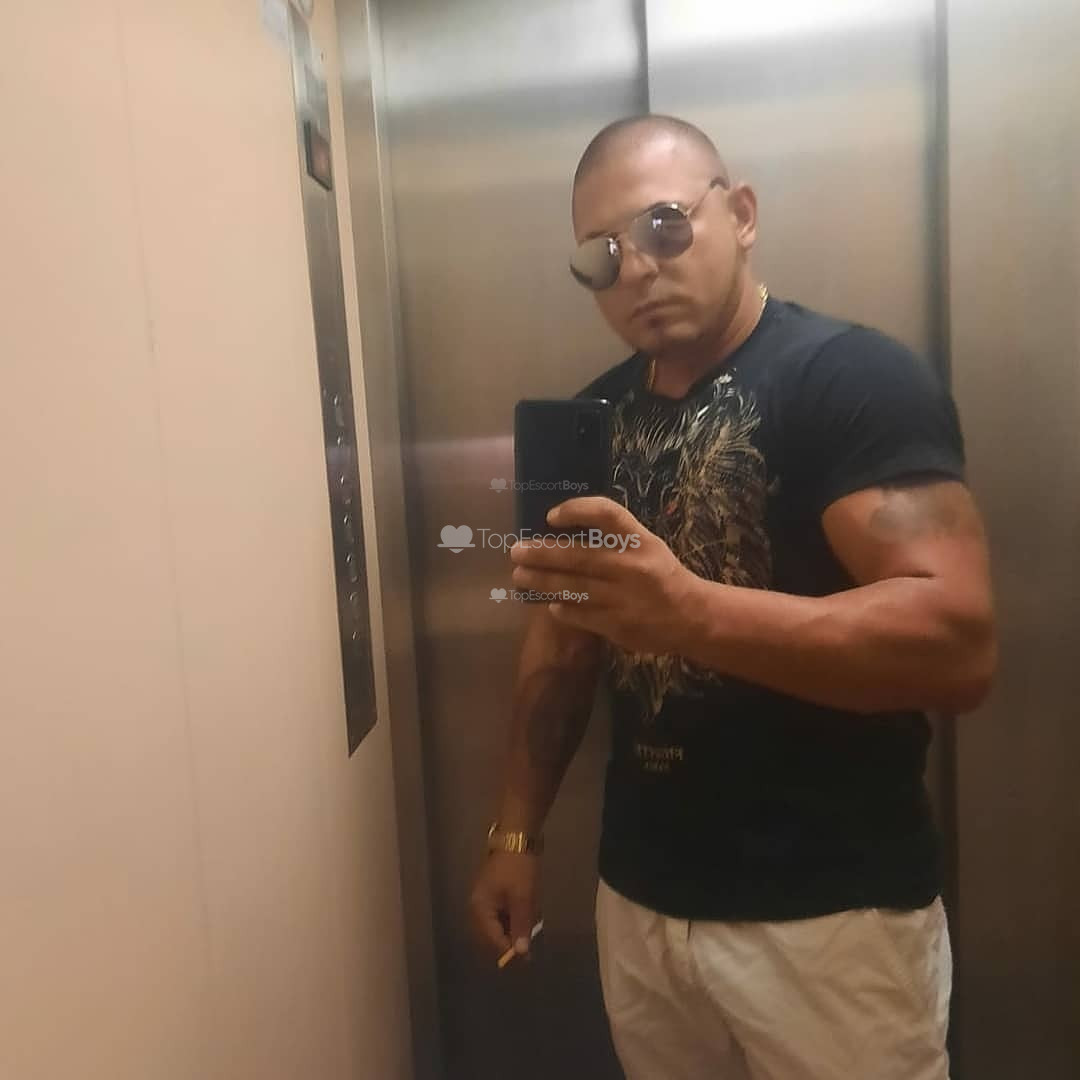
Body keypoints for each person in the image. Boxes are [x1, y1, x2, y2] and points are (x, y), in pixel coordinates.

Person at [469, 114, 997, 1080]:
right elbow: (563, 641)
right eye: (600, 256)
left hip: (831, 916)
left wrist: (690, 613)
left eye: (665, 226)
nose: (636, 268)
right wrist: (515, 831)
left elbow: (957, 644)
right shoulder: (594, 417)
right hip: (640, 904)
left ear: (741, 214)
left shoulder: (853, 380)